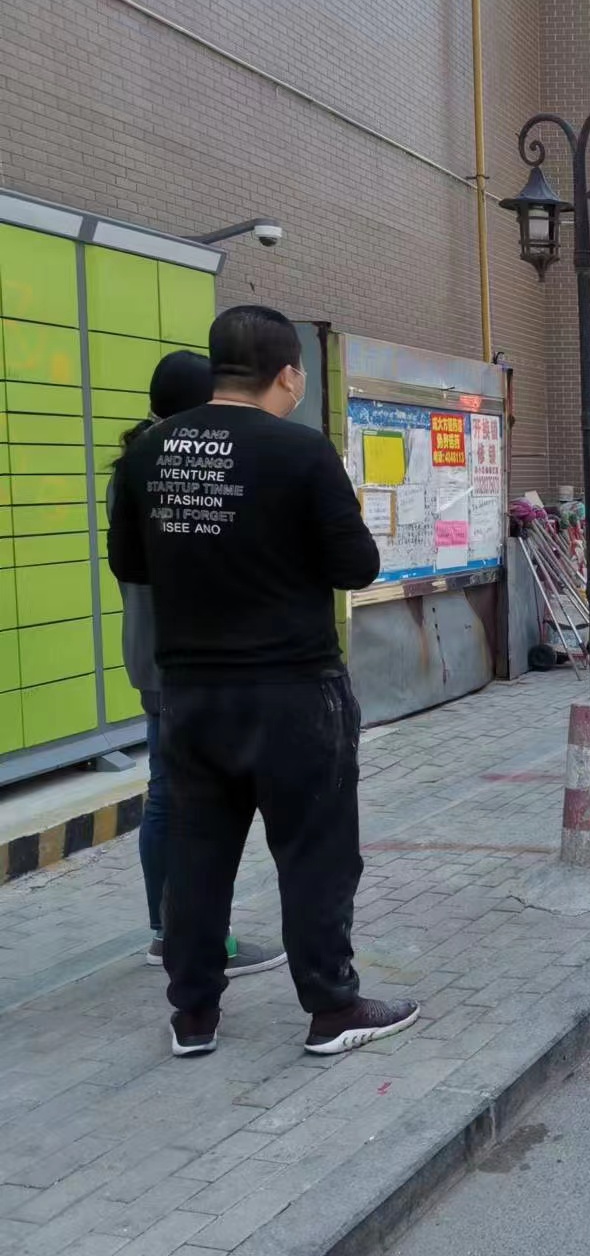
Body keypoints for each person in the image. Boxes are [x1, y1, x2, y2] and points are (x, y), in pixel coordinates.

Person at [108, 305, 417, 1059]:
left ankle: (193, 1016)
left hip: (191, 694)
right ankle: (332, 1009)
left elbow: (130, 564)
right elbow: (357, 566)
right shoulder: (301, 450)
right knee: (315, 854)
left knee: (198, 854)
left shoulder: (147, 455)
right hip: (293, 690)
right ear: (287, 374)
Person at [112, 351, 285, 977]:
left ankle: (173, 931)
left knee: (169, 792)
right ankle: (195, 939)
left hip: (157, 657)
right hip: (182, 659)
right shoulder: (169, 468)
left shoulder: (139, 462)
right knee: (186, 800)